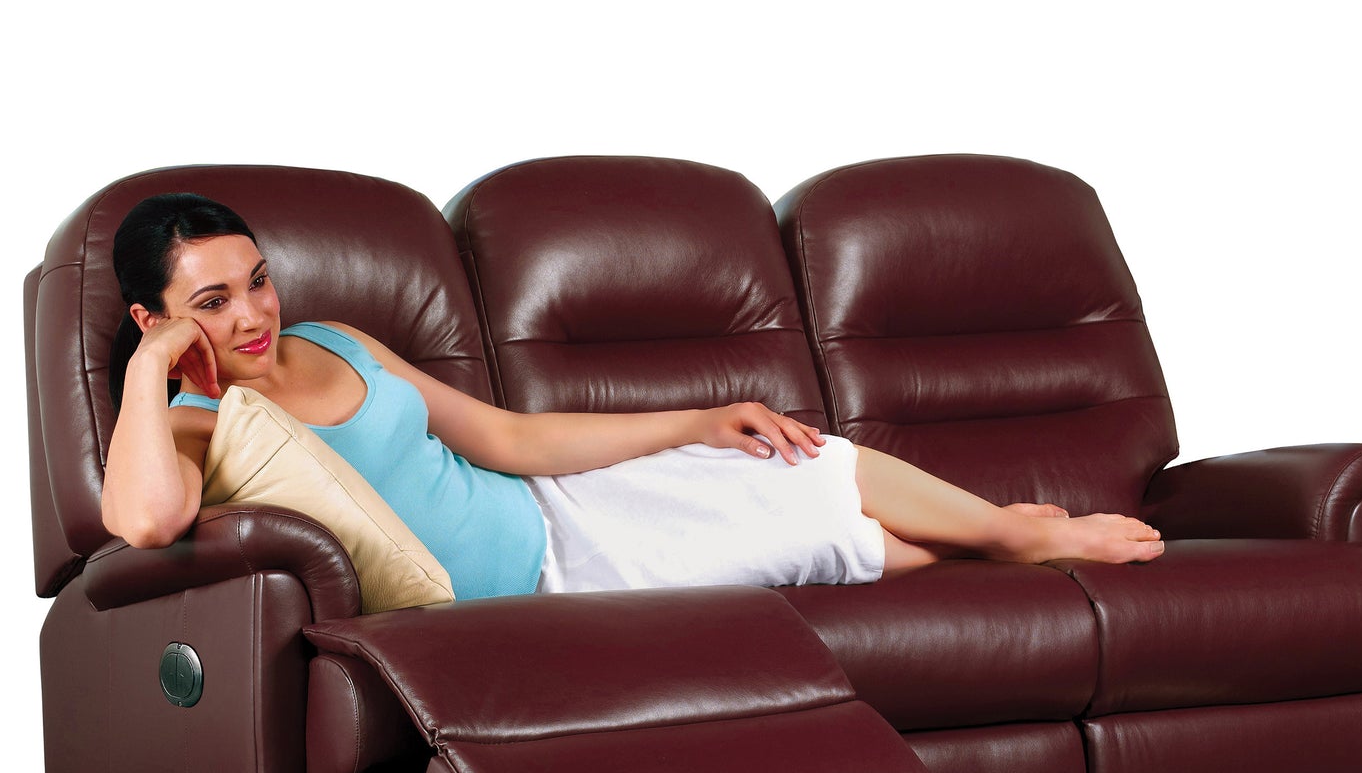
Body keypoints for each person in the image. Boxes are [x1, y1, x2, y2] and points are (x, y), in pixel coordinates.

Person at [102, 193, 1165, 594]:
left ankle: (1010, 536)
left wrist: (698, 419)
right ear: (155, 317)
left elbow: (509, 437)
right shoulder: (197, 425)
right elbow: (142, 523)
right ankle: (1011, 541)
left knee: (798, 459)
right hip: (547, 583)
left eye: (258, 281)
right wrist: (154, 367)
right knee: (823, 538)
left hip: (558, 509)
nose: (253, 315)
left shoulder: (336, 339)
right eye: (212, 303)